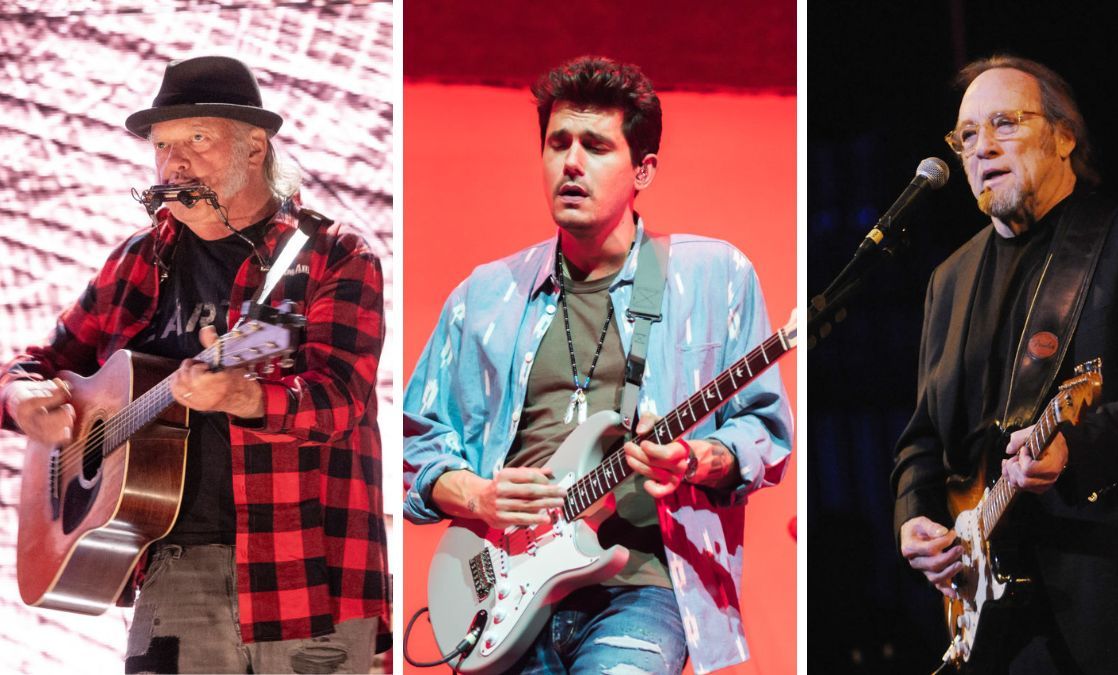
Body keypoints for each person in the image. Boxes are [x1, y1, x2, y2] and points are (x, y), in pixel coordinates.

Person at [403, 55, 793, 674]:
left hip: (645, 588)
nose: (571, 163)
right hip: (501, 598)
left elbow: (763, 435)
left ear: (643, 169)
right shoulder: (483, 295)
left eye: (596, 146)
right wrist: (477, 495)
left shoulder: (713, 277)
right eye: (558, 143)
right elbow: (411, 445)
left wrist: (694, 459)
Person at [0, 56, 390, 673]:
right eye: (162, 147)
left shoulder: (330, 254)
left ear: (256, 146)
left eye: (197, 140)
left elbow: (341, 400)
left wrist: (247, 397)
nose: (174, 163)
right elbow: (33, 365)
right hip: (172, 569)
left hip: (306, 574)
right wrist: (22, 398)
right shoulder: (136, 259)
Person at [892, 54, 1118, 673]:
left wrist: (1075, 450)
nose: (981, 149)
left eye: (1004, 123)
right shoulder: (947, 280)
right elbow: (922, 437)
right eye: (967, 136)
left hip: (1112, 600)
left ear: (1065, 136)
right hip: (989, 614)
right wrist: (914, 518)